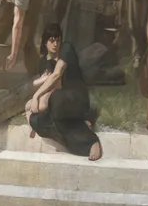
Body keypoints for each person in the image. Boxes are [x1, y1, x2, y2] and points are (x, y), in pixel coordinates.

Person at [26, 27, 101, 160]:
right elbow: (44, 84)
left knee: (53, 102)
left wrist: (37, 96)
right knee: (36, 118)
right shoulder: (44, 62)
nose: (55, 44)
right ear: (45, 42)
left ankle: (92, 142)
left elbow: (56, 76)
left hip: (75, 97)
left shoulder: (66, 49)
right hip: (57, 101)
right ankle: (81, 133)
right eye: (51, 40)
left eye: (58, 40)